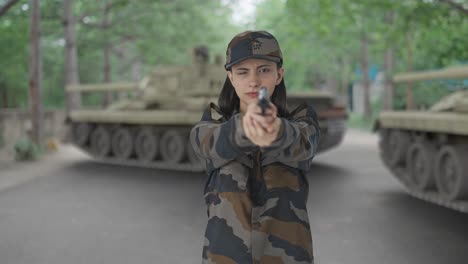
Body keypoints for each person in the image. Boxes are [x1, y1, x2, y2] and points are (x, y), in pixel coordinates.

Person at [190, 30, 320, 264]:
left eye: (264, 70)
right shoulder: (212, 125)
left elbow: (304, 144)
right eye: (242, 72)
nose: (254, 81)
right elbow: (205, 144)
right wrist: (243, 128)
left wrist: (277, 130)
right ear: (230, 77)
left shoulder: (301, 121)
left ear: (279, 75)